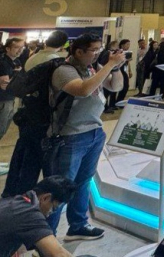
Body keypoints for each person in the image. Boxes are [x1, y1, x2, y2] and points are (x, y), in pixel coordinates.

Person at [45, 33, 124, 240]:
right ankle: (46, 239)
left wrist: (115, 68)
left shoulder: (93, 68)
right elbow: (83, 90)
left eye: (100, 49)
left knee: (83, 182)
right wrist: (109, 64)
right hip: (70, 136)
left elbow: (115, 87)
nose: (97, 54)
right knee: (60, 187)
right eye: (93, 50)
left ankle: (77, 225)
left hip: (94, 133)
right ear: (79, 51)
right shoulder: (64, 70)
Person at [2, 31, 68, 198]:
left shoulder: (34, 57)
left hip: (28, 112)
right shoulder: (55, 62)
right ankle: (25, 198)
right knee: (34, 160)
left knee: (22, 155)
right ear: (63, 45)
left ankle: (12, 194)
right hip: (41, 117)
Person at [0, 176, 78, 257]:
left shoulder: (13, 202)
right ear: (45, 198)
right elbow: (59, 254)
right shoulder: (30, 214)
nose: (50, 213)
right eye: (53, 208)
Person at [0, 37, 25, 141]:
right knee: (1, 128)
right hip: (3, 99)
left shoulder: (17, 61)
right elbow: (5, 85)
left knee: (4, 127)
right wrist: (16, 75)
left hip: (11, 98)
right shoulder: (3, 62)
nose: (20, 50)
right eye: (16, 47)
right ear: (7, 49)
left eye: (22, 47)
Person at [104, 39, 131, 112]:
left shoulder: (122, 53)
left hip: (119, 71)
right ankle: (108, 106)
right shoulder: (109, 53)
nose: (118, 47)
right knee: (107, 91)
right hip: (111, 72)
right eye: (117, 45)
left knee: (122, 87)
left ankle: (115, 103)